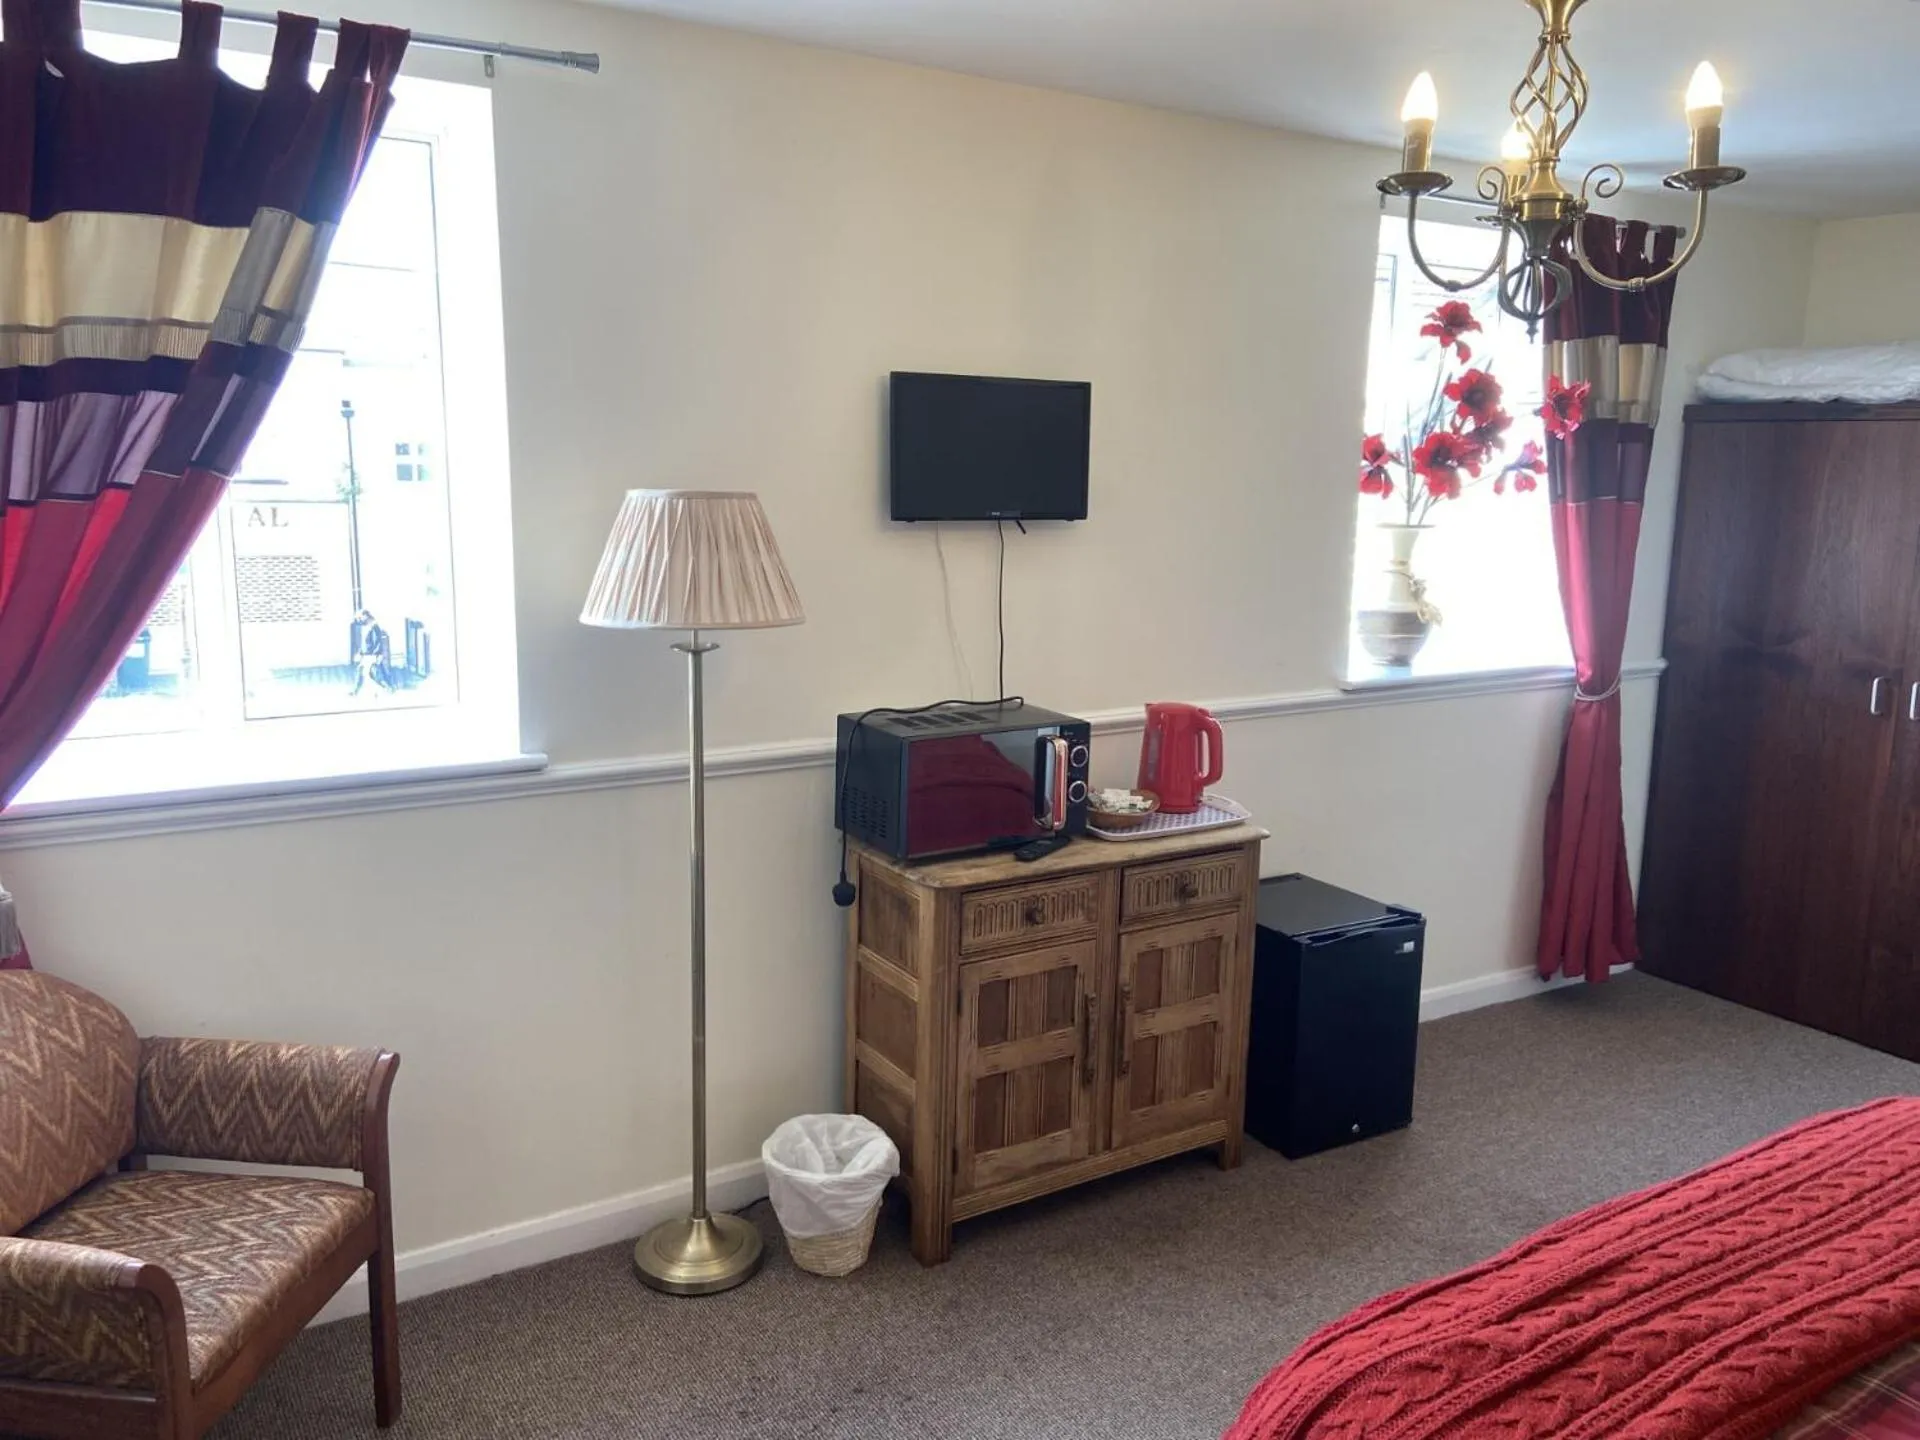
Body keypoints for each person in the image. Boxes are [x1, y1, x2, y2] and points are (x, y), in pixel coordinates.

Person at [351, 608, 393, 695]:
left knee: (375, 674)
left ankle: (388, 688)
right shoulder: (368, 626)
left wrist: (376, 655)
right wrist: (360, 652)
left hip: (371, 655)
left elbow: (377, 642)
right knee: (364, 672)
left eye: (361, 617)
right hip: (367, 655)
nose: (360, 619)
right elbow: (365, 643)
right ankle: (355, 691)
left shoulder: (374, 627)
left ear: (366, 616)